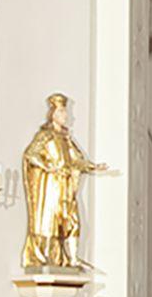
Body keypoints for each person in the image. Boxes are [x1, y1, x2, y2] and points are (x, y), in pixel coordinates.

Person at [21, 94, 104, 271]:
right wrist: (47, 166)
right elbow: (30, 154)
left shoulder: (66, 139)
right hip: (52, 185)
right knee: (49, 220)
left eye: (65, 112)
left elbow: (76, 159)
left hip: (66, 185)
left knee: (71, 219)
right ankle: (44, 256)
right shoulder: (45, 136)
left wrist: (93, 166)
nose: (65, 116)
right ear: (53, 114)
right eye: (61, 112)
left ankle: (72, 258)